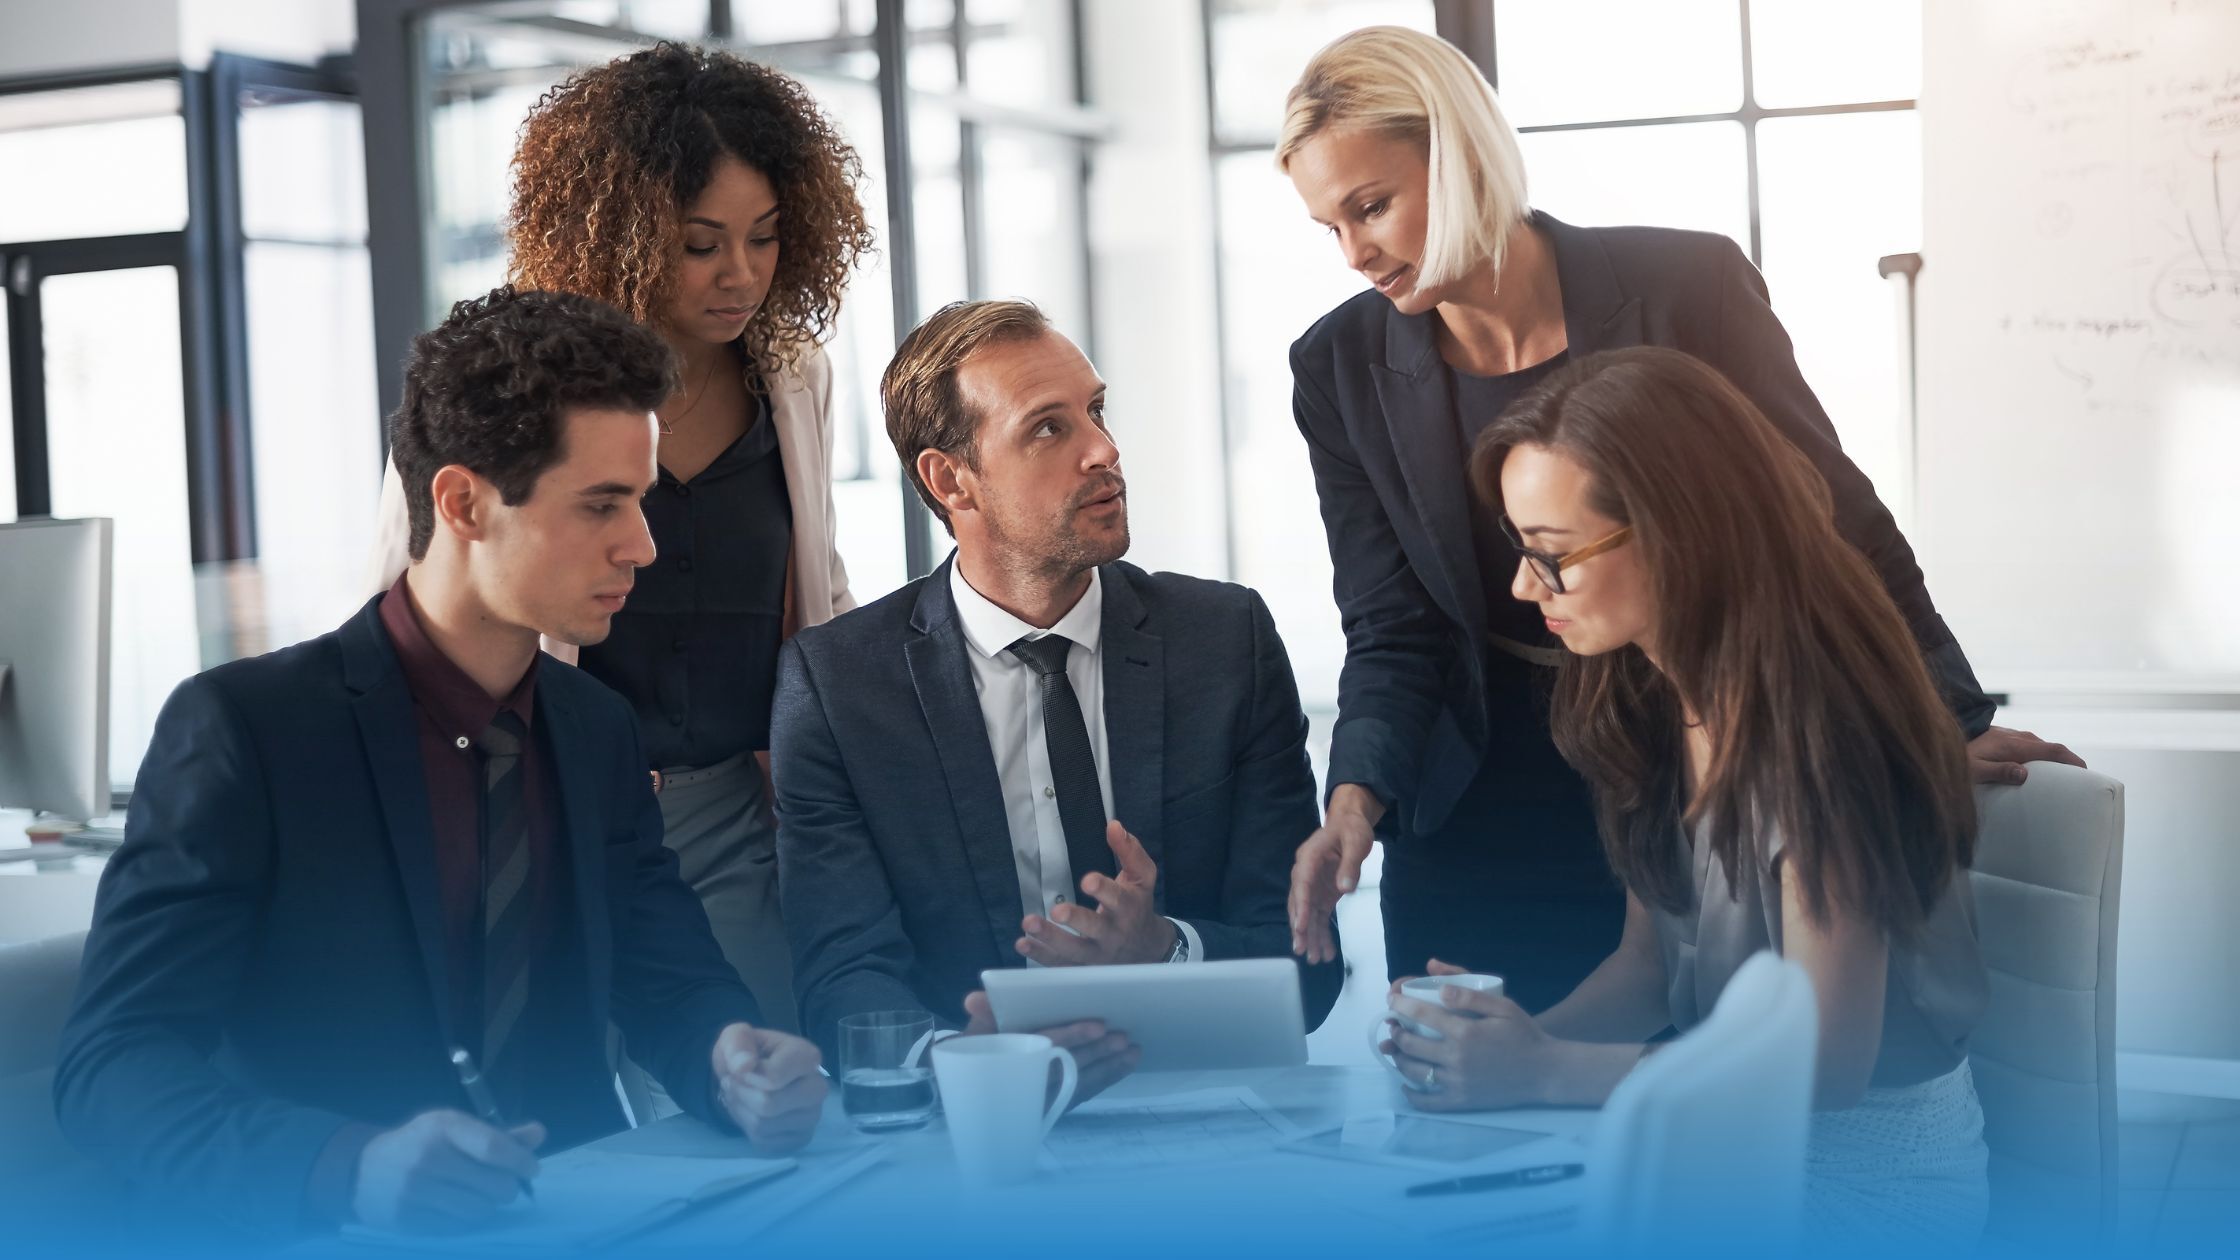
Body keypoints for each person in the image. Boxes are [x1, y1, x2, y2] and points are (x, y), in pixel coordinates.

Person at [1275, 25, 2080, 1009]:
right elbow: (1390, 626)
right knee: (1474, 1101)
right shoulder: (1336, 367)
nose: (1354, 252)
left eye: (1372, 207)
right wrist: (1353, 802)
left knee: (1697, 1073)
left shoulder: (1681, 287)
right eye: (1329, 227)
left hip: (1681, 752)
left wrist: (1942, 717)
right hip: (1476, 804)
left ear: (1459, 154)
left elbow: (1822, 510)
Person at [58, 288, 827, 1239]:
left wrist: (732, 1061)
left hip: (586, 1216)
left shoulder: (596, 731)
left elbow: (668, 980)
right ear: (462, 502)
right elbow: (112, 1066)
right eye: (603, 505)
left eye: (643, 500)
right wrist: (351, 1167)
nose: (644, 545)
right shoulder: (247, 730)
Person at [1378, 346, 1991, 1247]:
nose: (1522, 586)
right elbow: (1646, 970)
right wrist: (1498, 1052)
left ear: (1677, 533)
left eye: (1551, 557)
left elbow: (1824, 1067)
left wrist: (1544, 1069)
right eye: (1519, 550)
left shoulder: (1821, 735)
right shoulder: (1659, 698)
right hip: (1725, 1141)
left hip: (1864, 1185)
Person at [369, 44, 874, 1031]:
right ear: (618, 235)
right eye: (700, 243)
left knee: (749, 1074)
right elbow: (407, 592)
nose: (741, 274)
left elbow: (819, 584)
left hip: (734, 811)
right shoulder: (509, 382)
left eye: (765, 237)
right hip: (543, 803)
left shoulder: (793, 378)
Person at [772, 299, 1343, 1080]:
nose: (1104, 449)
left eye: (1096, 411)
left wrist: (1163, 949)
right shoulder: (838, 686)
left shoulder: (1224, 642)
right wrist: (965, 1063)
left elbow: (1304, 966)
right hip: (972, 1127)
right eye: (1049, 427)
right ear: (952, 480)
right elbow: (841, 981)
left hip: (1198, 1101)